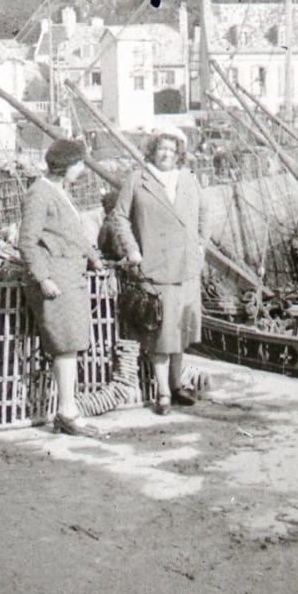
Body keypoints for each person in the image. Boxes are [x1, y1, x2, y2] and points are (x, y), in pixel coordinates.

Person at [109, 130, 207, 415]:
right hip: (157, 266)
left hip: (186, 267)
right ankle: (163, 392)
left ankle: (176, 386)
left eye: (171, 149)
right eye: (161, 148)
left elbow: (205, 211)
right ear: (152, 151)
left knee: (182, 331)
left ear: (179, 153)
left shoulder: (188, 178)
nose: (166, 154)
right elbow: (119, 217)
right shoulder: (137, 180)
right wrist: (132, 250)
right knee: (162, 334)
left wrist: (201, 243)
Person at [18, 137, 105, 438]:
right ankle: (67, 412)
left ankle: (67, 410)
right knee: (65, 346)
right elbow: (27, 241)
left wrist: (94, 258)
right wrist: (43, 279)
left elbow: (73, 234)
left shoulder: (60, 191)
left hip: (71, 276)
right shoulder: (40, 193)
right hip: (56, 279)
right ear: (66, 165)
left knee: (72, 344)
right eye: (79, 164)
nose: (81, 170)